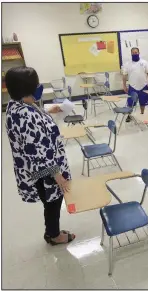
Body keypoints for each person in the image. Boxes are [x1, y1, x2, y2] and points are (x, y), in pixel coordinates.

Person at [5, 66, 75, 245]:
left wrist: (48, 112)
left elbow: (33, 124)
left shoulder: (15, 105)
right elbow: (38, 153)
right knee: (53, 201)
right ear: (28, 88)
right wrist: (57, 175)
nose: (39, 86)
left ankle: (51, 231)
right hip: (45, 171)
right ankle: (54, 235)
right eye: (36, 84)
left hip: (36, 168)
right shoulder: (27, 116)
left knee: (49, 202)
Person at [122, 47, 148, 122]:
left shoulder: (144, 62)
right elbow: (124, 76)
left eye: (136, 52)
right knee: (130, 103)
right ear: (131, 53)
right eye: (133, 52)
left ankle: (142, 113)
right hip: (132, 87)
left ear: (139, 53)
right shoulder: (127, 64)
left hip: (143, 86)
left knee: (143, 102)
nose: (135, 54)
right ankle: (129, 115)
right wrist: (124, 85)